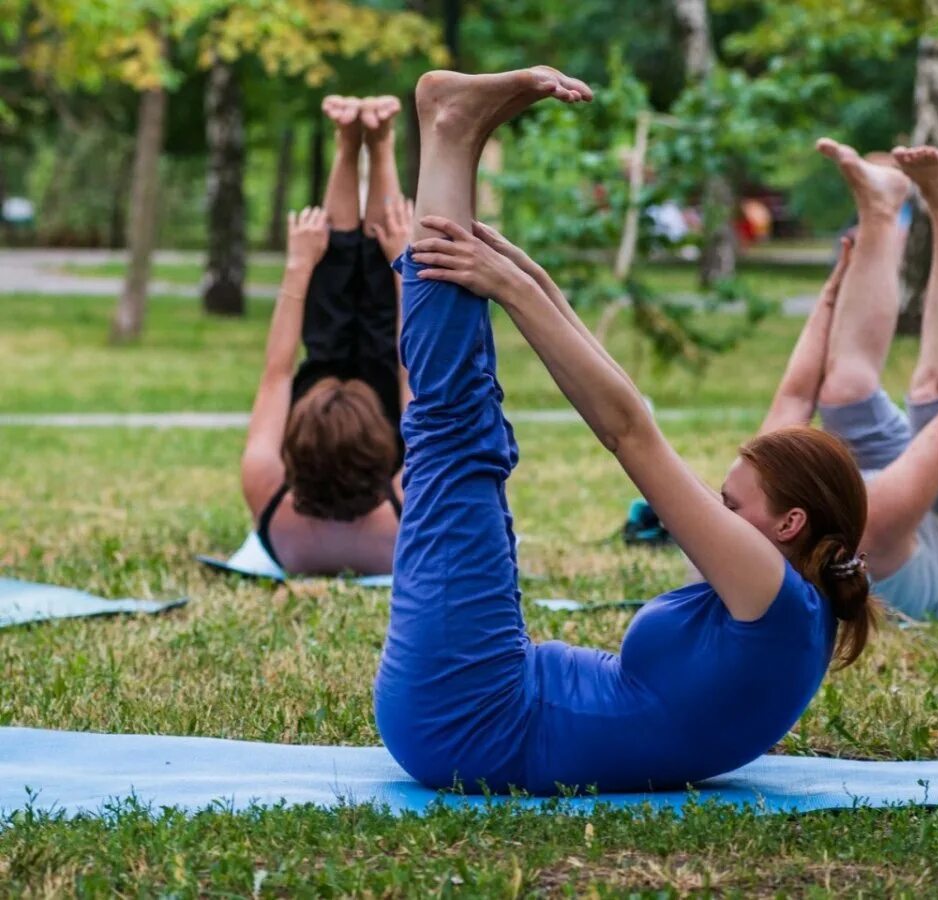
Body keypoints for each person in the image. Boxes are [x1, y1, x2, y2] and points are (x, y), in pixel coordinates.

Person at [372, 67, 878, 795]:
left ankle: (449, 133)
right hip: (495, 700)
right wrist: (526, 276)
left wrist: (512, 287)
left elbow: (630, 431)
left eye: (735, 506)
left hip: (472, 722)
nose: (717, 512)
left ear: (791, 521)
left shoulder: (772, 594)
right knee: (463, 425)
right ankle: (462, 137)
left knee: (453, 430)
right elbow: (630, 407)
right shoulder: (790, 609)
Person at [759, 138, 938, 622]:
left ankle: (880, 208)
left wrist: (832, 297)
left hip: (910, 520)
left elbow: (795, 395)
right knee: (933, 398)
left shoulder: (757, 504)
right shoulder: (870, 524)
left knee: (843, 392)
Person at [241, 96, 413, 576]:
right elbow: (277, 375)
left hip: (372, 394)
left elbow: (278, 375)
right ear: (382, 446)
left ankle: (348, 144)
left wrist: (402, 264)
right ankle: (377, 146)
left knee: (336, 318)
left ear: (292, 451)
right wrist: (401, 261)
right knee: (364, 315)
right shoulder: (412, 507)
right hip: (381, 386)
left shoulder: (268, 494)